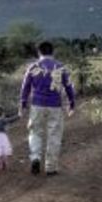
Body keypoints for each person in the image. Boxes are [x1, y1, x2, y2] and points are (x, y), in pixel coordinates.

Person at [19, 41, 76, 176]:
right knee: (54, 135)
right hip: (55, 105)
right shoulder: (60, 67)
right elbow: (69, 86)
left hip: (37, 105)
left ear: (39, 52)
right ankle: (50, 167)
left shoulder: (33, 67)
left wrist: (23, 103)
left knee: (35, 132)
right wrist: (72, 103)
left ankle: (35, 158)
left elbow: (25, 86)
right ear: (53, 52)